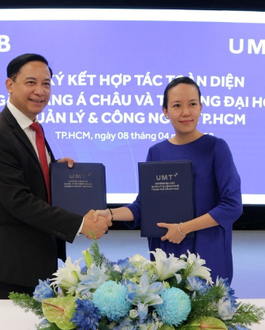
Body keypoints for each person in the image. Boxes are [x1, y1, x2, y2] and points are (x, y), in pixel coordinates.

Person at [0, 53, 110, 299]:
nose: (40, 91)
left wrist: (53, 170)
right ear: (10, 85)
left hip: (38, 256)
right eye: (31, 82)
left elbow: (28, 175)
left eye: (46, 83)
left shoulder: (32, 128)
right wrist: (81, 225)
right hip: (13, 265)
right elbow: (19, 201)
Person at [95, 77, 242, 282]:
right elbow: (144, 206)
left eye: (192, 104)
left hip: (208, 254)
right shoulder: (156, 152)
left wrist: (183, 229)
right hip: (166, 254)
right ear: (165, 111)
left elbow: (232, 206)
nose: (186, 112)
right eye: (177, 105)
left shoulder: (216, 148)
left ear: (201, 107)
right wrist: (110, 213)